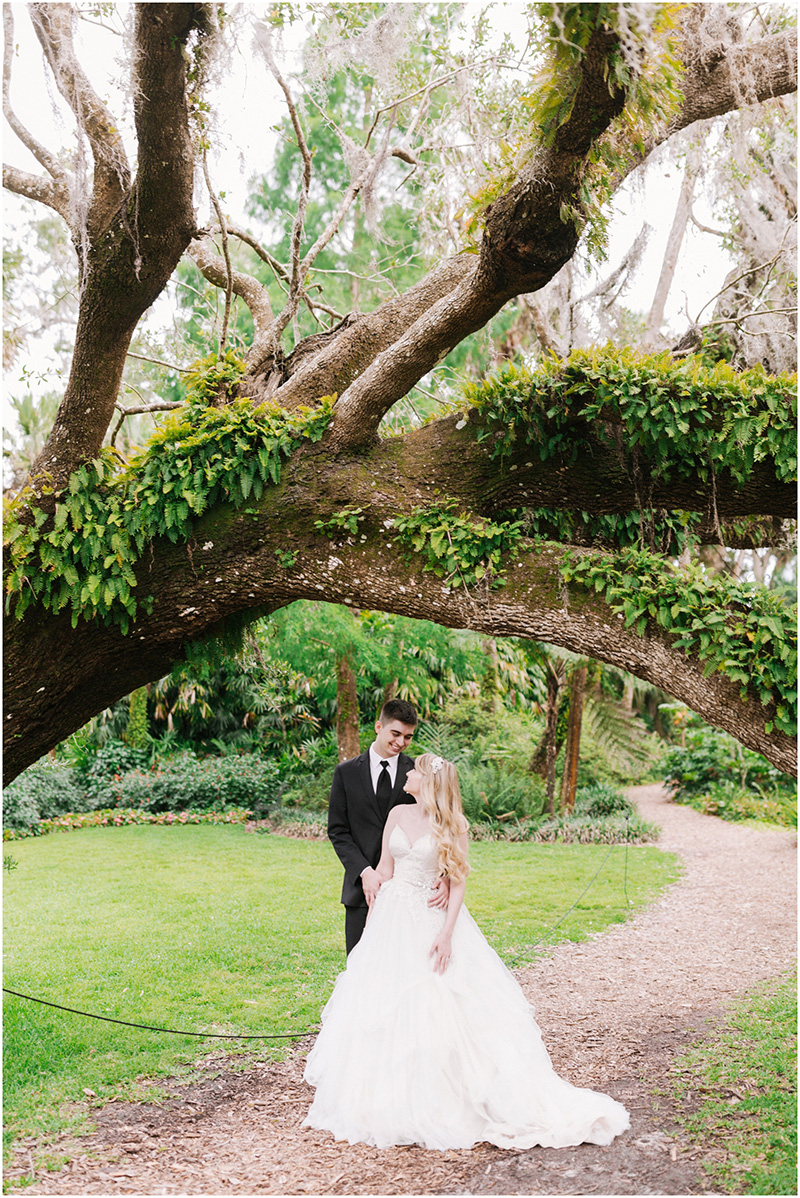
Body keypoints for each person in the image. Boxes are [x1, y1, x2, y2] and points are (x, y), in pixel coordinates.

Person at [305, 753, 630, 1151]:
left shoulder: (454, 825)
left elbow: (457, 881)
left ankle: (447, 1098)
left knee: (436, 1002)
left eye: (413, 770)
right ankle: (386, 1097)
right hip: (391, 917)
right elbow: (385, 871)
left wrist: (446, 932)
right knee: (383, 1005)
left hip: (430, 918)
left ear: (427, 781)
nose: (406, 773)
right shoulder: (397, 815)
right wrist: (373, 924)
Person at [327, 699, 447, 954]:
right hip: (362, 890)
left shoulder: (417, 774)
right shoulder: (345, 773)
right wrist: (364, 872)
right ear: (378, 726)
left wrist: (445, 876)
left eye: (408, 737)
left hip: (410, 897)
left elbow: (442, 824)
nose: (401, 742)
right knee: (361, 966)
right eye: (395, 733)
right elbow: (338, 830)